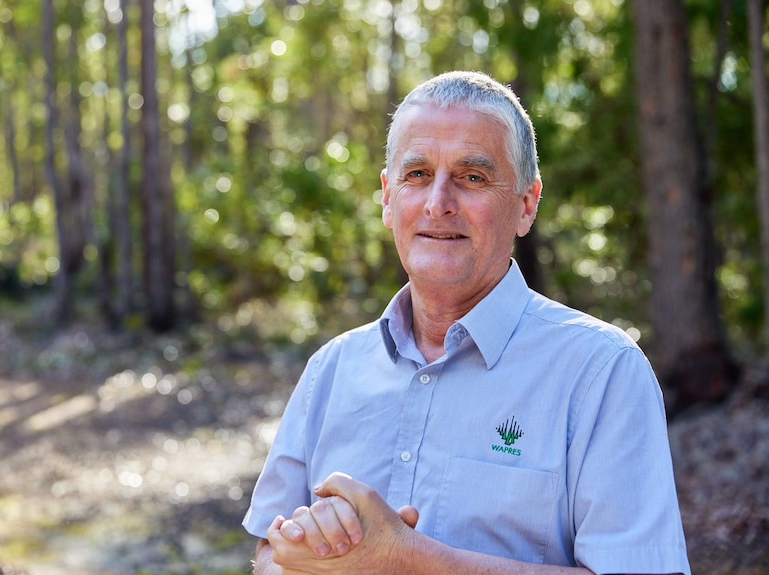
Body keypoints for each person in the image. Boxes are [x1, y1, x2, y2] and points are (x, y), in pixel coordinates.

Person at [242, 70, 691, 575]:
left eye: (472, 177)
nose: (438, 203)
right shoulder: (331, 370)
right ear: (388, 199)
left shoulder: (601, 372)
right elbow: (268, 553)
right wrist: (304, 560)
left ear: (526, 205)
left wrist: (408, 561)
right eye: (416, 175)